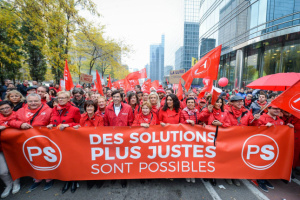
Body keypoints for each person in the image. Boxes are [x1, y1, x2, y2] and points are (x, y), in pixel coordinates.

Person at [10, 94, 53, 191]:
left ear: (40, 101)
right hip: (27, 141)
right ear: (26, 102)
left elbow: (53, 122)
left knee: (46, 160)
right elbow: (11, 121)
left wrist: (51, 125)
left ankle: (49, 179)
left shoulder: (48, 110)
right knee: (32, 160)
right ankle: (37, 179)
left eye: (35, 101)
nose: (33, 103)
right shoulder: (20, 111)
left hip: (43, 141)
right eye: (30, 101)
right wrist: (20, 124)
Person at [47, 91, 81, 194]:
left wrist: (68, 125)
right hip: (58, 140)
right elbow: (53, 121)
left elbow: (79, 123)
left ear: (68, 99)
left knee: (72, 160)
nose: (61, 100)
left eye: (63, 98)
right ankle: (67, 180)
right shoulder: (54, 109)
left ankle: (74, 180)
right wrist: (50, 125)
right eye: (59, 98)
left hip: (71, 139)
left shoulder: (75, 109)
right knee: (63, 160)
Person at [254, 104, 293, 192]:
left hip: (273, 148)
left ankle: (265, 179)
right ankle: (260, 180)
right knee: (261, 164)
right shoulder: (262, 118)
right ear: (268, 109)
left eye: (279, 109)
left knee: (270, 164)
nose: (277, 110)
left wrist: (289, 127)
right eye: (275, 109)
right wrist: (263, 127)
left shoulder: (281, 121)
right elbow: (254, 130)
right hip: (262, 146)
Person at [103, 90, 134, 188]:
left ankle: (123, 177)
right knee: (113, 158)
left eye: (117, 97)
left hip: (124, 138)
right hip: (112, 138)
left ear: (121, 98)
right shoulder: (108, 108)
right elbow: (106, 123)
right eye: (114, 97)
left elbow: (131, 122)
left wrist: (129, 135)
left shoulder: (128, 108)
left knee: (123, 158)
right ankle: (114, 175)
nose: (115, 99)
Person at [0, 101, 21, 198]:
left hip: (13, 146)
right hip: (0, 148)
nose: (5, 110)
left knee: (13, 166)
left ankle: (16, 183)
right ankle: (8, 185)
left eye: (7, 107)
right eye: (2, 109)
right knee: (2, 171)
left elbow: (22, 124)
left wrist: (5, 127)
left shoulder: (18, 115)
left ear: (12, 108)